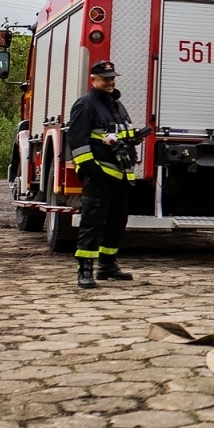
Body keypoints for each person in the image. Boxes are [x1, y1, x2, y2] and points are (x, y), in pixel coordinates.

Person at [65, 60, 140, 289]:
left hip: (121, 175)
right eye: (106, 77)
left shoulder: (116, 105)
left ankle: (107, 266)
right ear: (93, 79)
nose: (110, 81)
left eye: (112, 77)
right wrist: (91, 170)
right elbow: (77, 141)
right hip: (99, 175)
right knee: (92, 222)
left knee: (117, 221)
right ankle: (84, 270)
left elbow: (121, 134)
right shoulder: (85, 105)